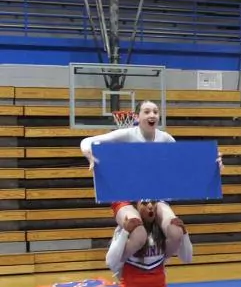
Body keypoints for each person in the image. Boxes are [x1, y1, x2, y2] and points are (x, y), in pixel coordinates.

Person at [80, 100, 221, 259]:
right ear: (137, 117)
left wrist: (212, 162)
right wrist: (88, 153)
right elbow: (86, 141)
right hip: (126, 197)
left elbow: (185, 164)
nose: (152, 115)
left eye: (155, 111)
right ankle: (118, 262)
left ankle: (158, 262)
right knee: (139, 235)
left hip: (154, 197)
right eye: (146, 112)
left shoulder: (165, 139)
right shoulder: (127, 134)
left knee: (176, 232)